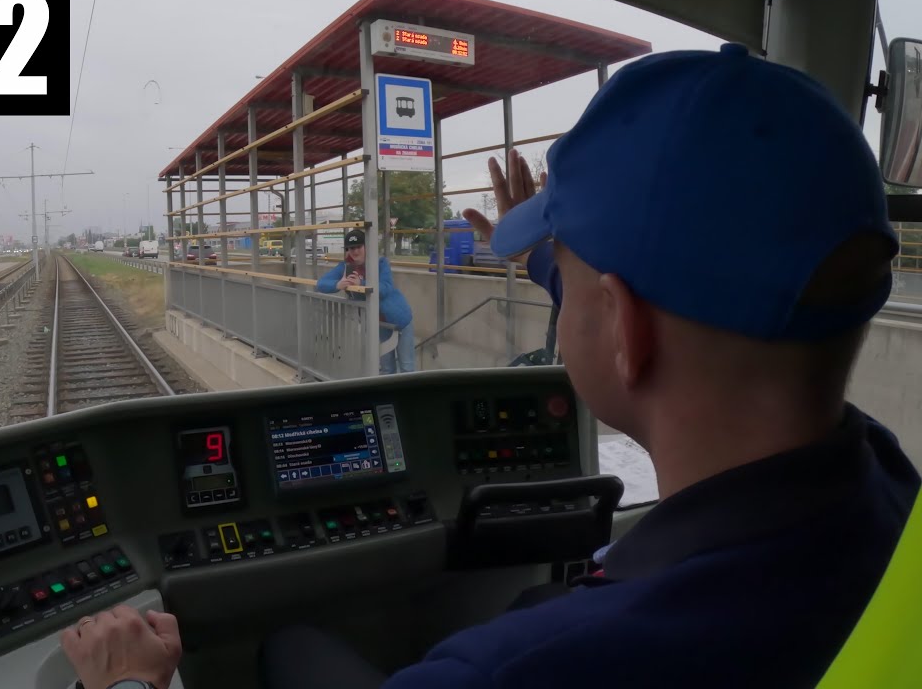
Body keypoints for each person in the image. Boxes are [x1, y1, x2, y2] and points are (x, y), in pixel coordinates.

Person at [60, 44, 920, 689]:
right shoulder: (888, 489)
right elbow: (646, 311)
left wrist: (133, 684)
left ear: (623, 325)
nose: (554, 283)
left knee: (290, 647)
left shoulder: (520, 670)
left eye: (566, 273)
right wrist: (550, 263)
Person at [315, 228, 415, 373]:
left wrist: (361, 284)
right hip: (379, 325)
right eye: (350, 248)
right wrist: (338, 284)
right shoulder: (345, 267)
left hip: (400, 320)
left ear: (366, 246)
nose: (354, 251)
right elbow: (321, 284)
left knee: (407, 366)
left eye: (358, 247)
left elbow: (386, 287)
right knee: (387, 368)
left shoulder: (380, 263)